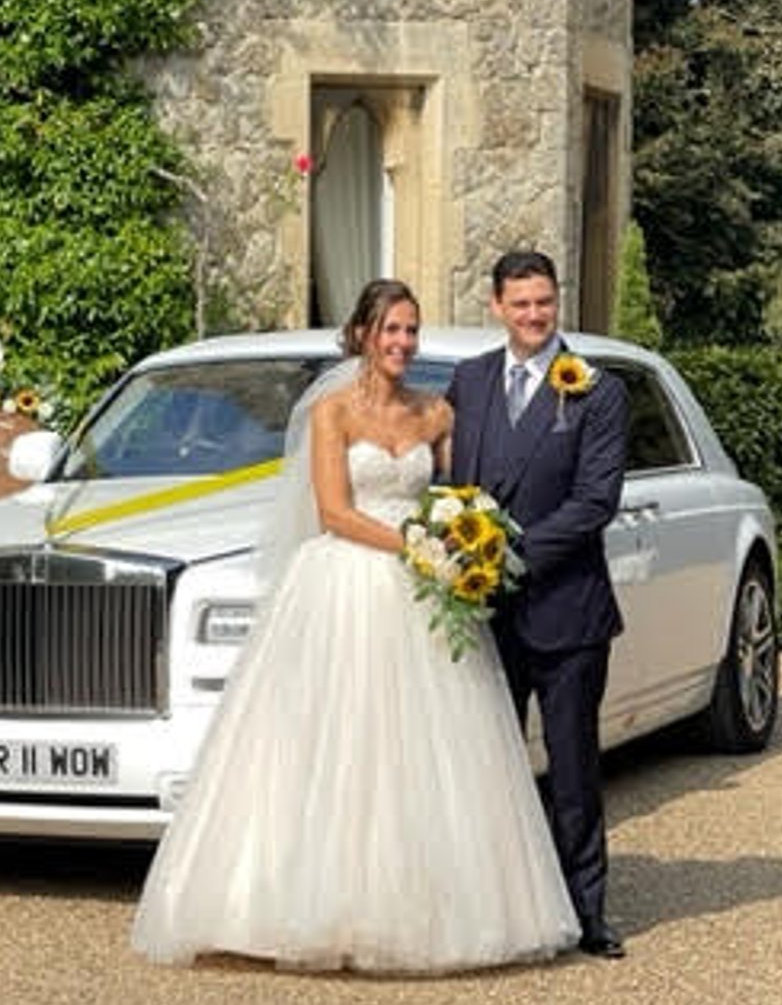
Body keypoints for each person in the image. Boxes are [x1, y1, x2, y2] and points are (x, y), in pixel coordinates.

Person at [131, 279, 574, 973]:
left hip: (423, 597)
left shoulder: (436, 415)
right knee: (333, 742)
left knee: (424, 751)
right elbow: (335, 510)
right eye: (390, 330)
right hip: (344, 583)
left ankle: (430, 908)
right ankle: (301, 905)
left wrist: (462, 540)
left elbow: (457, 496)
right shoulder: (332, 414)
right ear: (364, 335)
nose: (401, 343)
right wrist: (417, 548)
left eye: (410, 331)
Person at [448, 249, 631, 959]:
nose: (533, 316)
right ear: (496, 306)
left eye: (544, 303)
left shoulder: (596, 390)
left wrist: (507, 556)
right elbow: (452, 485)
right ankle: (495, 907)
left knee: (574, 768)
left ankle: (587, 912)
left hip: (567, 613)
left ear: (558, 302)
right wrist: (454, 556)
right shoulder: (468, 382)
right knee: (485, 766)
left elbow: (595, 502)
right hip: (483, 616)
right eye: (520, 304)